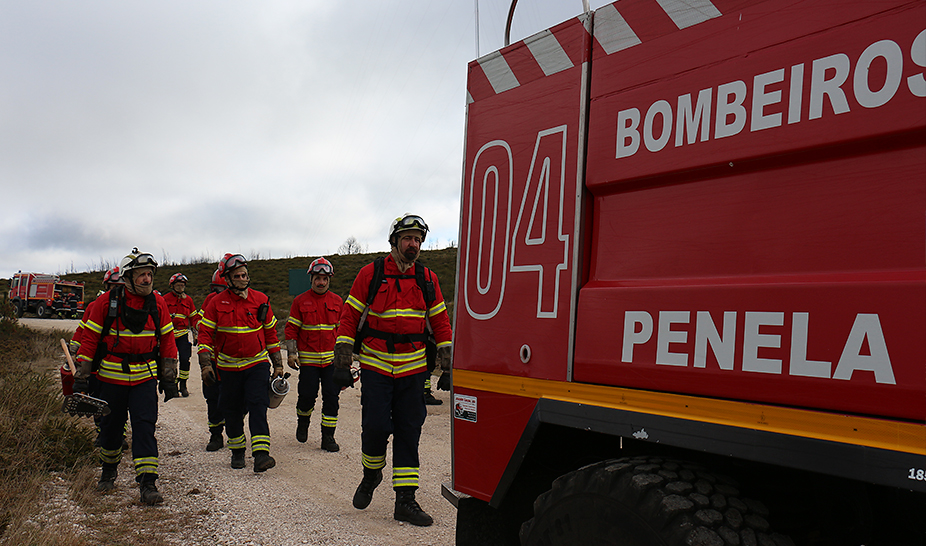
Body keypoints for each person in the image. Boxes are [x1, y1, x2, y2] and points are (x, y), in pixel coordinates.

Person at [334, 214, 453, 527]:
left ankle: (405, 500)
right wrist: (343, 359)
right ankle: (371, 474)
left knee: (409, 432)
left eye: (417, 239)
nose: (413, 244)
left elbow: (440, 321)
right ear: (395, 241)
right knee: (374, 427)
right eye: (407, 238)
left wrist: (448, 361)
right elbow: (349, 317)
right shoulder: (370, 274)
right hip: (375, 364)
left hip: (413, 369)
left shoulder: (427, 279)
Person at [72, 249, 179, 506]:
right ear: (127, 278)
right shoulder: (105, 303)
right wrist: (81, 376)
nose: (146, 279)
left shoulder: (158, 303)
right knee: (111, 429)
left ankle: (148, 483)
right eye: (141, 274)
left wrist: (168, 378)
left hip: (144, 379)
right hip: (111, 379)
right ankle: (108, 472)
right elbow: (89, 341)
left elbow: (167, 341)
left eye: (149, 274)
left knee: (144, 428)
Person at [197, 253, 284, 472]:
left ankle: (261, 454)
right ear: (227, 279)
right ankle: (237, 451)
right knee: (232, 409)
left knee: (258, 405)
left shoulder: (261, 300)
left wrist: (278, 364)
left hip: (256, 365)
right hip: (227, 368)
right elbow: (205, 335)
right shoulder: (216, 303)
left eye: (245, 274)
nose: (244, 279)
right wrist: (206, 364)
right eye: (238, 276)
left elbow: (271, 334)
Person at [285, 257, 343, 451]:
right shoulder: (300, 301)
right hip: (308, 362)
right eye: (318, 278)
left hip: (330, 362)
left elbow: (343, 332)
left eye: (325, 279)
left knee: (331, 398)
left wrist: (345, 359)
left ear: (329, 280)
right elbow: (291, 330)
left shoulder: (337, 301)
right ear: (311, 279)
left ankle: (328, 437)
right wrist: (292, 354)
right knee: (307, 396)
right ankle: (303, 422)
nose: (321, 282)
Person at [198, 268, 227, 451]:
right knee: (212, 397)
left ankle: (234, 427)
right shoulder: (210, 301)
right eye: (215, 289)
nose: (217, 294)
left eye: (221, 289)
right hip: (214, 359)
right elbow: (200, 325)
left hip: (234, 361)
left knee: (238, 398)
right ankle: (216, 434)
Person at [163, 273, 199, 397]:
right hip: (169, 335)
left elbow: (194, 317)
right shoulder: (165, 299)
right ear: (172, 285)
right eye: (178, 285)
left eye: (183, 285)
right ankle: (171, 386)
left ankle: (183, 385)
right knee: (170, 361)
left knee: (185, 359)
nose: (181, 287)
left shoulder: (188, 300)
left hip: (183, 334)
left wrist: (198, 331)